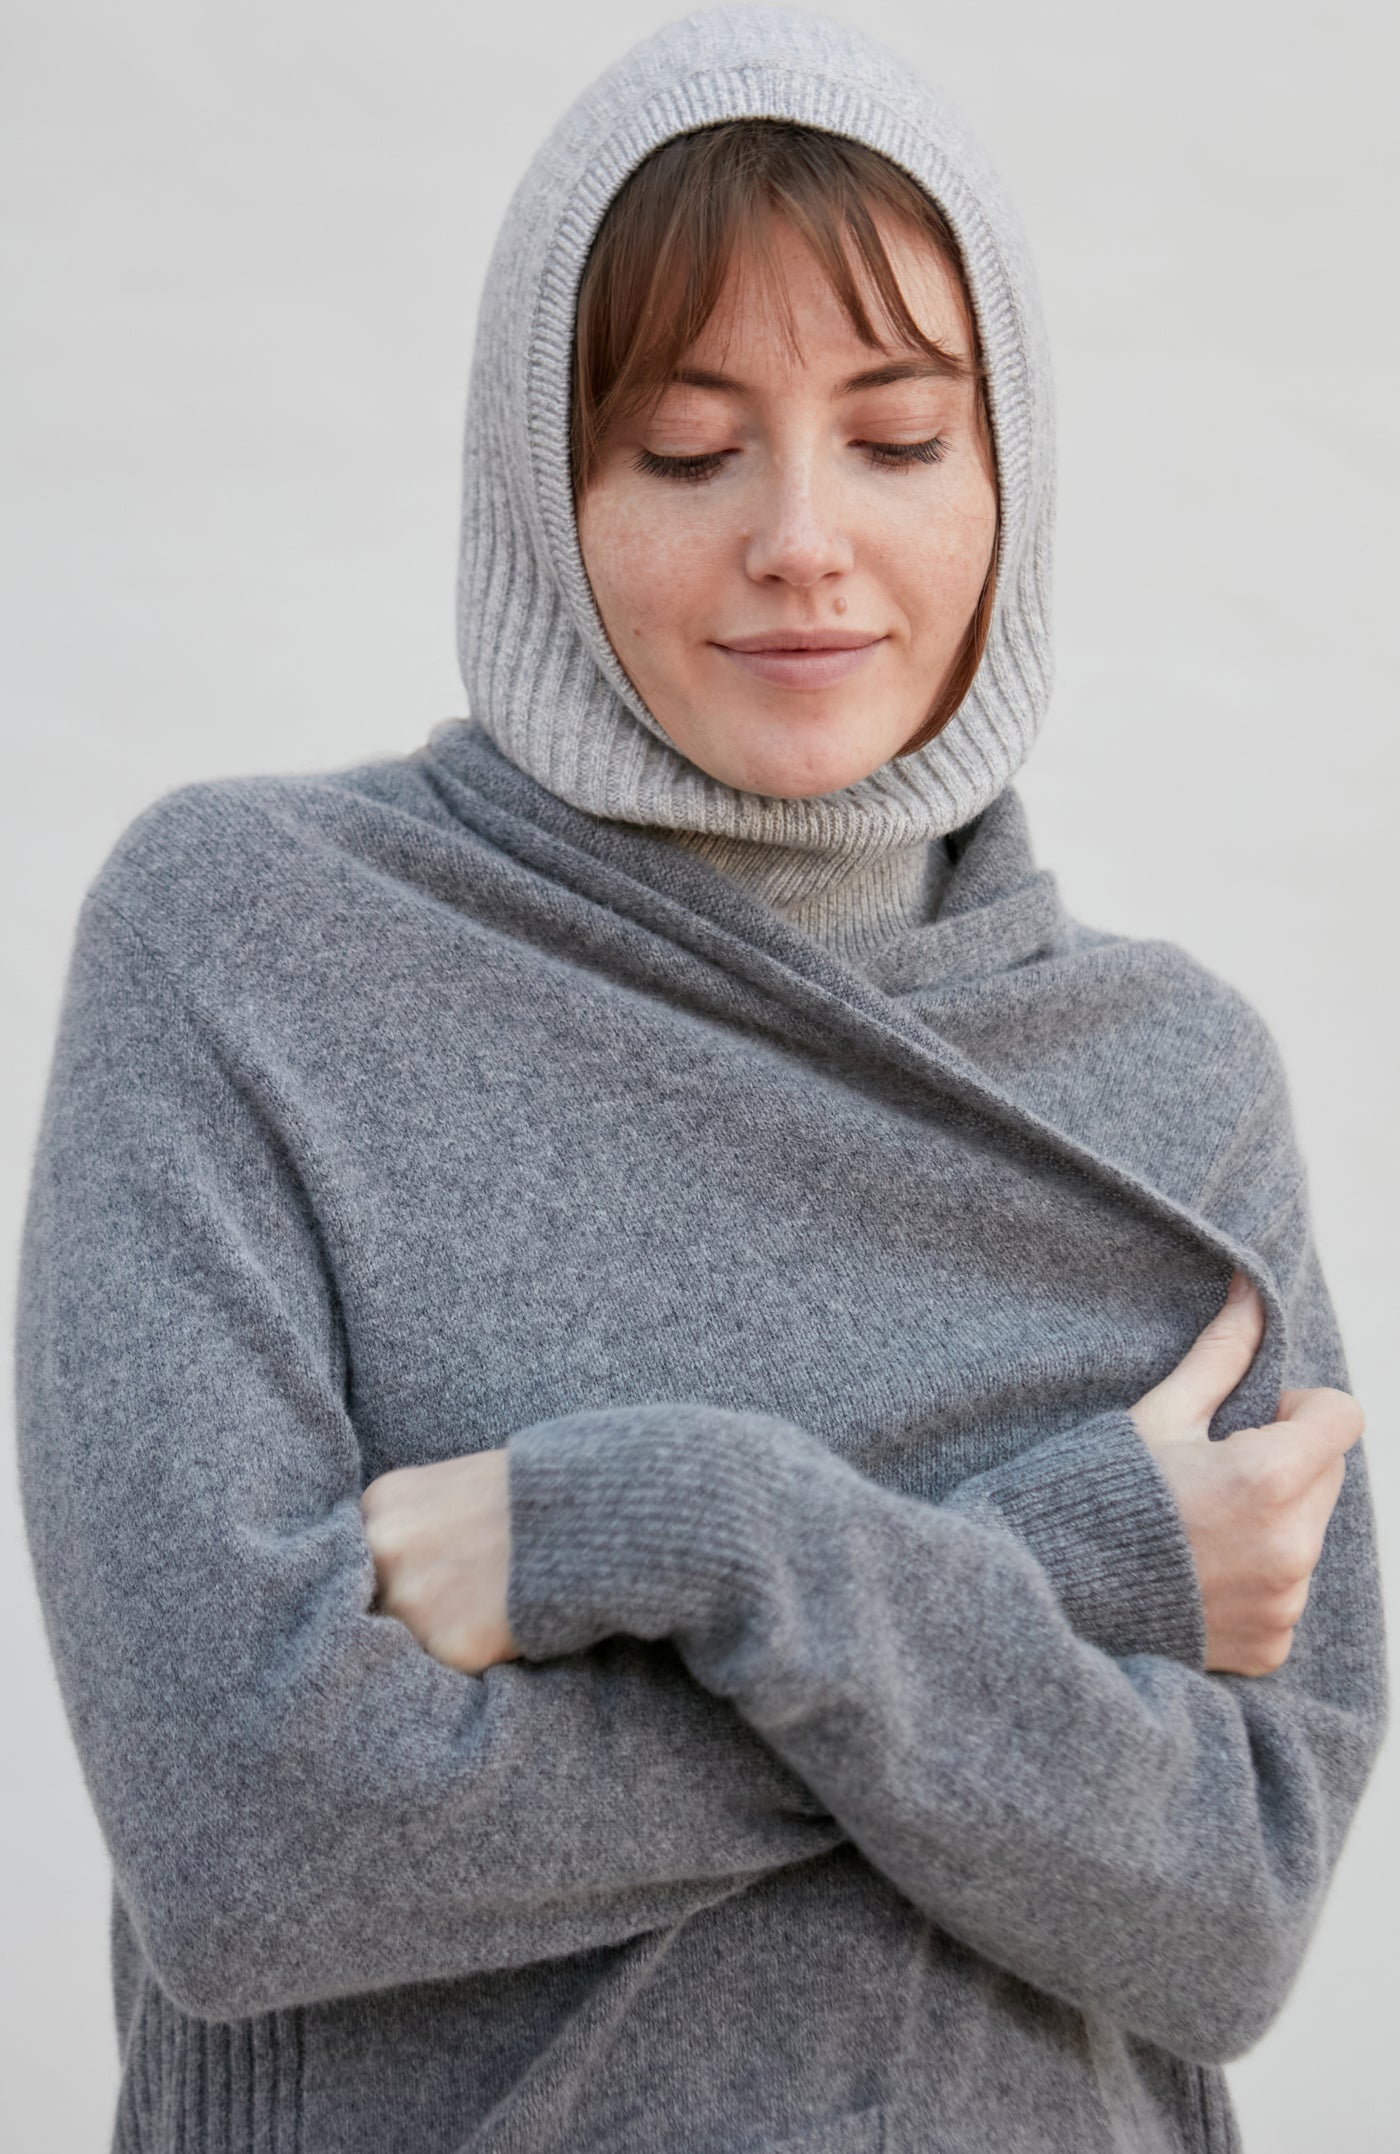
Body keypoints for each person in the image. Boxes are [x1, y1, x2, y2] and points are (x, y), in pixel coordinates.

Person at [15, 8, 1386, 2152]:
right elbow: (247, 1841)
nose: (802, 539)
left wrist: (675, 1527)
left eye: (902, 437)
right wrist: (1068, 1569)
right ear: (537, 486)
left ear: (1009, 468)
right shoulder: (251, 945)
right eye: (683, 448)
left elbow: (1222, 1923)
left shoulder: (1165, 1085)